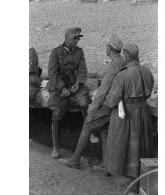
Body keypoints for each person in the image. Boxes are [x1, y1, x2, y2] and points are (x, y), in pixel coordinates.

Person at [61, 33, 125, 169]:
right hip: (116, 104)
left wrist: (93, 107)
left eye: (106, 47)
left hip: (108, 104)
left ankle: (75, 159)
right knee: (104, 130)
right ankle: (106, 166)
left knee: (88, 123)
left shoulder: (113, 65)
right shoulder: (120, 61)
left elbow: (104, 90)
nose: (105, 49)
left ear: (110, 48)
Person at [102, 43, 154, 188]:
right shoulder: (147, 72)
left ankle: (131, 184)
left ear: (125, 56)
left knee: (126, 147)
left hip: (126, 116)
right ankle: (138, 182)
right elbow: (148, 93)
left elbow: (112, 101)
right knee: (140, 147)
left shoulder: (122, 76)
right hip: (143, 113)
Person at [46, 27, 90, 158]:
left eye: (78, 38)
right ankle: (56, 147)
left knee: (84, 102)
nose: (77, 41)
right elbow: (52, 74)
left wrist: (77, 84)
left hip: (74, 86)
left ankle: (91, 132)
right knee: (57, 112)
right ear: (66, 37)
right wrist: (62, 88)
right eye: (74, 38)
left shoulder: (79, 52)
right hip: (58, 87)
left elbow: (82, 71)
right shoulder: (56, 52)